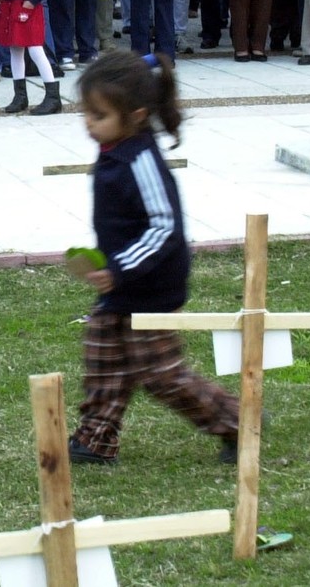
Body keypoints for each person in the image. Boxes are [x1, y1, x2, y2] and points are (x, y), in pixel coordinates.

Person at [67, 50, 240, 467]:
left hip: (152, 287)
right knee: (103, 357)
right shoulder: (115, 150)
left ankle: (237, 421)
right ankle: (96, 438)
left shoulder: (141, 160)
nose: (89, 123)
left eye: (99, 115)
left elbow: (164, 227)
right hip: (123, 283)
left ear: (137, 115)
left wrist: (120, 267)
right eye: (85, 113)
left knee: (161, 374)